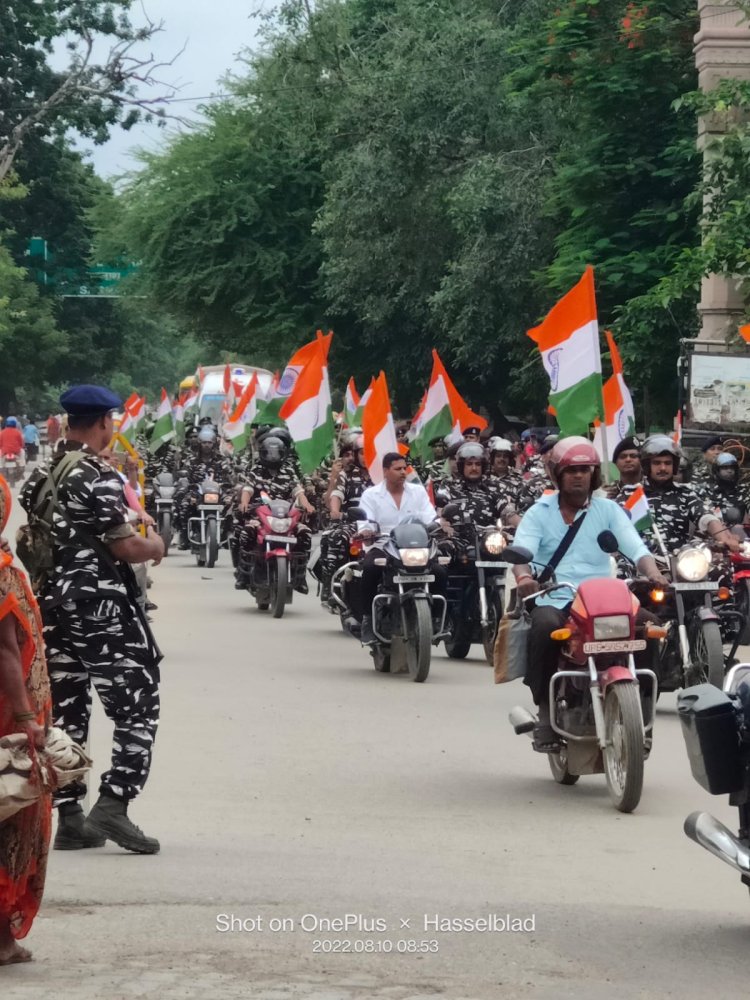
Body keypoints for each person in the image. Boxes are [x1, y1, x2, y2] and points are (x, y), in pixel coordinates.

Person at [19, 385, 165, 855]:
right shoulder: (96, 475)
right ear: (103, 422)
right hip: (99, 606)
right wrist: (158, 546)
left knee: (66, 709)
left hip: (53, 609)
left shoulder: (39, 474)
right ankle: (115, 805)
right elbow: (124, 545)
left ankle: (71, 816)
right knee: (137, 705)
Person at [512, 438, 668, 751]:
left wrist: (654, 573)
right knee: (542, 628)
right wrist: (525, 576)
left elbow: (635, 547)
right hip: (556, 597)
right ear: (557, 474)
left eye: (585, 469)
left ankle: (642, 713)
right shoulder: (538, 513)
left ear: (594, 474)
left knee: (651, 629)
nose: (579, 476)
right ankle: (545, 711)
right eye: (571, 470)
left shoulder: (609, 510)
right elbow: (523, 552)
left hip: (604, 600)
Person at [0, 476, 51, 966]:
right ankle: (0, 940)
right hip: (5, 718)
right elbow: (7, 652)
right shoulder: (1, 573)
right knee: (8, 820)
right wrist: (24, 718)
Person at [358, 453, 439, 643]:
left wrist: (439, 526)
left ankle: (436, 619)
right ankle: (368, 620)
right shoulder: (371, 495)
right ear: (386, 471)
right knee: (369, 570)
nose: (403, 472)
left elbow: (431, 518)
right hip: (383, 545)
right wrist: (366, 532)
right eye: (397, 469)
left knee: (440, 571)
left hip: (415, 547)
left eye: (404, 468)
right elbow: (364, 523)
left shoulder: (417, 492)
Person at [611, 435, 739, 555]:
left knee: (722, 572)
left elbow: (706, 517)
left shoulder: (685, 493)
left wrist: (724, 538)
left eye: (668, 463)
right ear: (647, 466)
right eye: (657, 463)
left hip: (681, 562)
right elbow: (613, 526)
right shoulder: (630, 495)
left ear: (675, 466)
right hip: (639, 562)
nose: (662, 468)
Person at [234, 435, 313, 592]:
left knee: (305, 534)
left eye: (276, 453)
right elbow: (247, 490)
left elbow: (299, 492)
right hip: (261, 515)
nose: (273, 456)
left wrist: (307, 505)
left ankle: (300, 575)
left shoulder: (289, 471)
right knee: (246, 532)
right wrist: (244, 503)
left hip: (286, 516)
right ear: (263, 453)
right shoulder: (256, 470)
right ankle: (243, 574)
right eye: (269, 453)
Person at [693, 452, 750, 523]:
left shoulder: (743, 490)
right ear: (716, 470)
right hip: (711, 531)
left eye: (732, 467)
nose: (729, 471)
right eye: (725, 468)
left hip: (737, 531)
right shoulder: (705, 490)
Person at [487, 437, 524, 507]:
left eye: (505, 456)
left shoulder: (518, 480)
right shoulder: (484, 478)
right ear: (492, 458)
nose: (502, 459)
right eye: (498, 456)